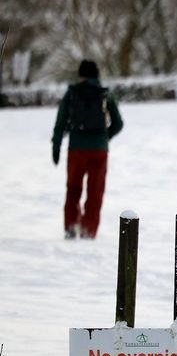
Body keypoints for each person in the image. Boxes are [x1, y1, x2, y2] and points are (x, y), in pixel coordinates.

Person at [51, 60, 124, 240]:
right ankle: (88, 230)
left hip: (76, 149)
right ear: (97, 74)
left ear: (80, 75)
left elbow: (60, 123)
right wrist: (104, 137)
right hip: (99, 151)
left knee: (73, 188)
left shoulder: (72, 93)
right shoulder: (105, 94)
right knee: (95, 191)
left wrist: (56, 146)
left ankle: (70, 226)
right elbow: (118, 123)